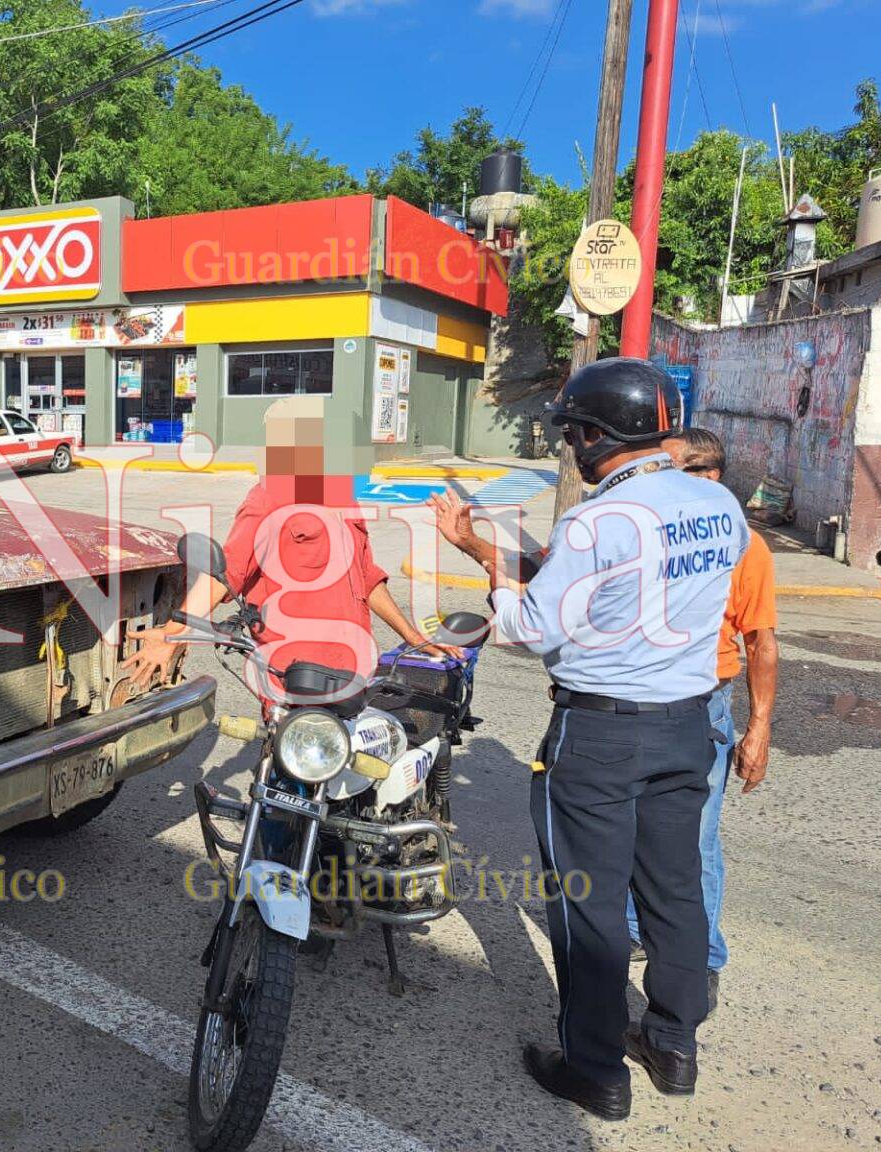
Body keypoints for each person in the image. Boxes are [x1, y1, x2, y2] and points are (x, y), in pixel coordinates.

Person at [430, 358, 748, 1120]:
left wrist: (501, 586)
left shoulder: (595, 520)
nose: (571, 443)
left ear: (599, 435)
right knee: (674, 893)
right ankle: (673, 1046)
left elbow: (533, 628)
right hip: (687, 723)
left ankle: (595, 1066)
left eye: (575, 431)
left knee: (588, 900)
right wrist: (508, 555)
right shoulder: (720, 505)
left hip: (603, 732)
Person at [121, 396, 456, 697]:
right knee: (294, 762)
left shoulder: (343, 499)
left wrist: (414, 638)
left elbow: (368, 579)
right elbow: (226, 571)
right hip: (294, 672)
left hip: (352, 666)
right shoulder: (270, 497)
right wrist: (173, 633)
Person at [624, 427, 777, 1011]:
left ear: (708, 477)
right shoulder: (651, 532)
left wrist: (758, 729)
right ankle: (640, 931)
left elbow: (762, 642)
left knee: (695, 838)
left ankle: (705, 955)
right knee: (635, 828)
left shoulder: (744, 546)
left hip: (703, 703)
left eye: (671, 471)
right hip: (639, 700)